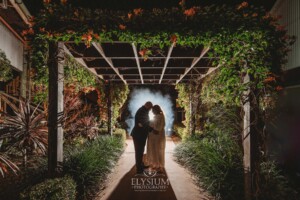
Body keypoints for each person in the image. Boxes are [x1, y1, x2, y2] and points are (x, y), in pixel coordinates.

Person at [131, 101, 157, 174]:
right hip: (138, 135)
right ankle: (139, 169)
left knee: (140, 151)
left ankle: (141, 165)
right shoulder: (142, 111)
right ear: (148, 106)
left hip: (140, 135)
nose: (151, 109)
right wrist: (153, 129)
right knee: (139, 152)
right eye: (150, 108)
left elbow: (144, 123)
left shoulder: (143, 110)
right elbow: (144, 123)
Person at [147, 105, 166, 173]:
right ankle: (156, 164)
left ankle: (159, 166)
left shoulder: (160, 116)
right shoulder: (158, 116)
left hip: (157, 136)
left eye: (153, 110)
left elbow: (159, 127)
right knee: (154, 150)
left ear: (156, 110)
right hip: (154, 136)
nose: (152, 111)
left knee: (158, 150)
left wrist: (154, 129)